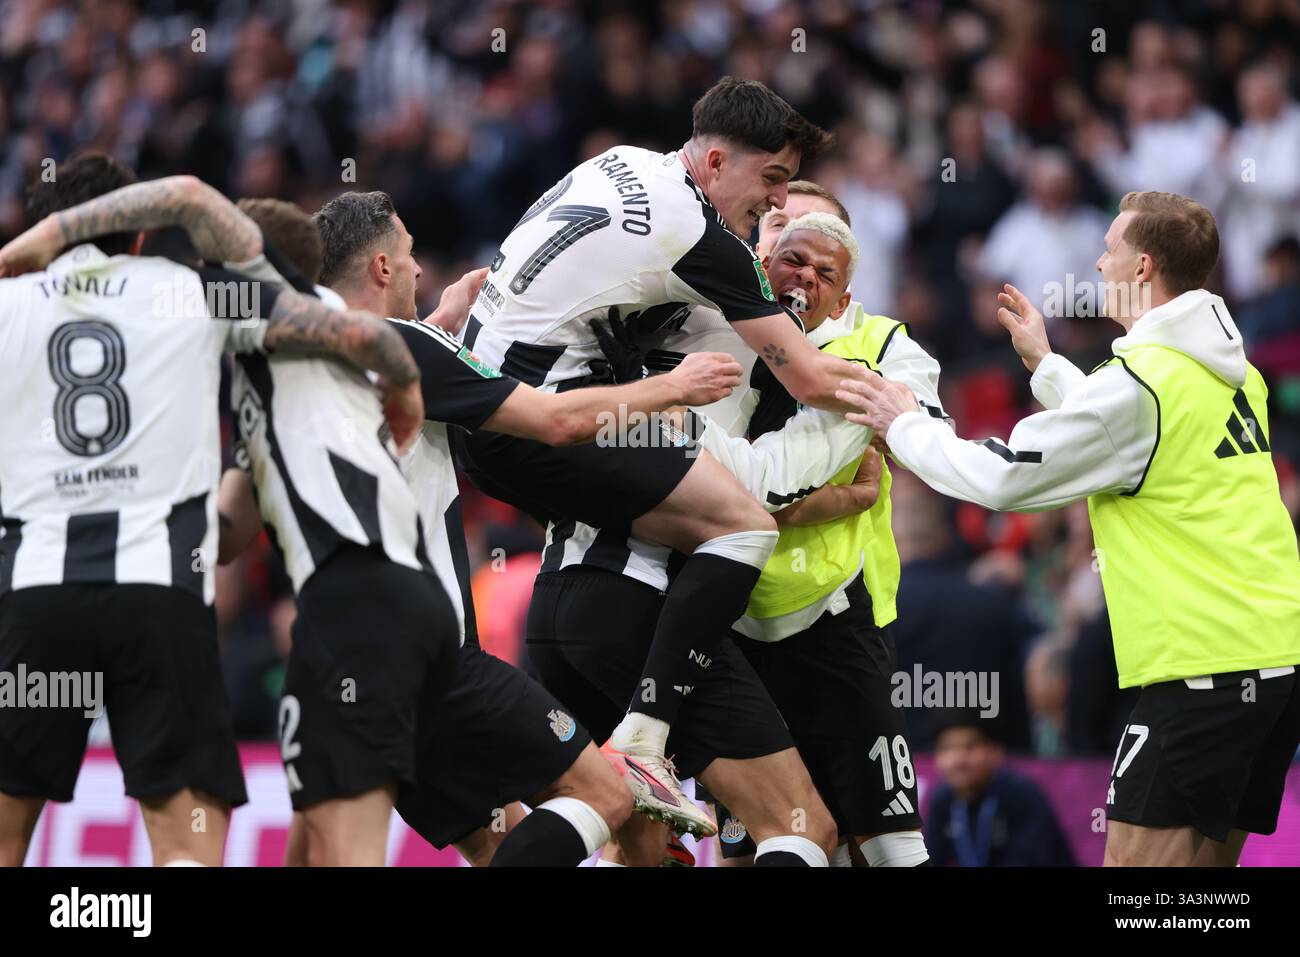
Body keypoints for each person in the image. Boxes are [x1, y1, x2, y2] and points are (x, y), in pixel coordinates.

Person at [454, 76, 869, 837]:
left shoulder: (622, 163)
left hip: (488, 407)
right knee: (741, 527)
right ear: (716, 162)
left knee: (619, 827)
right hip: (543, 420)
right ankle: (648, 733)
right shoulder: (701, 238)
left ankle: (590, 779)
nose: (776, 205)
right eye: (772, 180)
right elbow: (806, 376)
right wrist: (889, 398)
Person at [839, 190, 1300, 867]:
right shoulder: (1231, 373)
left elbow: (1003, 479)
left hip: (1204, 670)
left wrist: (901, 423)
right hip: (1272, 660)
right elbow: (1135, 433)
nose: (1096, 259)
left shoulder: (1137, 384)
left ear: (1143, 267)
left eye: (1110, 247)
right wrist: (1047, 366)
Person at [0, 156, 422, 866]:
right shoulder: (191, 291)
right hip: (160, 594)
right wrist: (404, 385)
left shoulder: (7, 302)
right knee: (185, 842)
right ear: (135, 233)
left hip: (34, 592)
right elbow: (356, 335)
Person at [296, 191, 739, 865]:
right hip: (429, 656)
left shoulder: (299, 363)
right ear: (382, 267)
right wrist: (671, 386)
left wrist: (445, 319)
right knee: (606, 796)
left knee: (494, 836)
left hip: (335, 666)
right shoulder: (407, 349)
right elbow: (556, 420)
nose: (419, 272)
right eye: (411, 257)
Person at [924, 711, 1076, 867]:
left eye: (970, 747)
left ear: (996, 751)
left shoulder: (1022, 795)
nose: (958, 759)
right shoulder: (942, 800)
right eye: (948, 748)